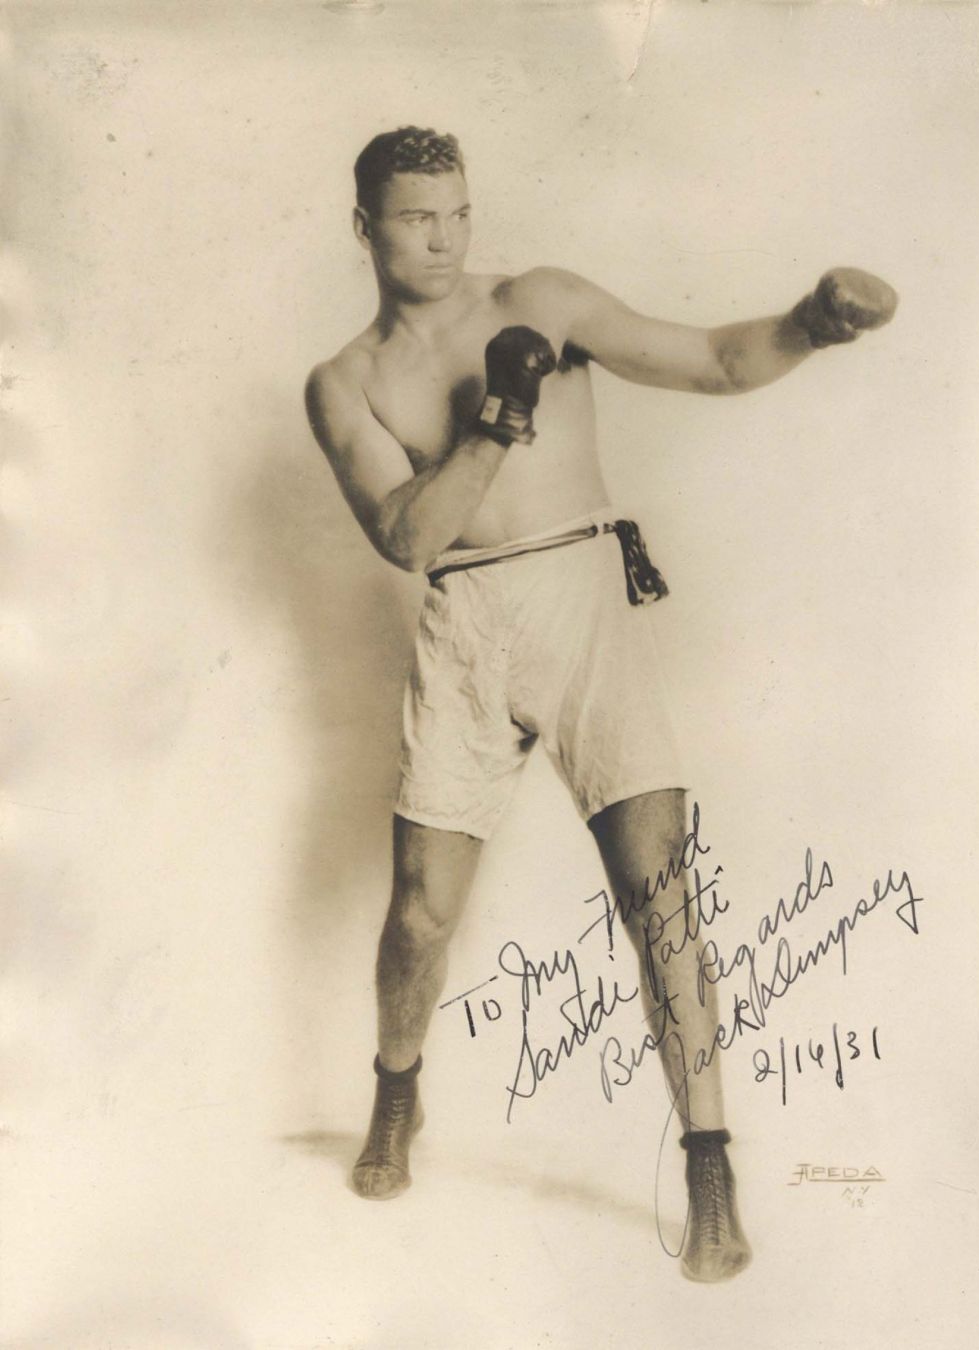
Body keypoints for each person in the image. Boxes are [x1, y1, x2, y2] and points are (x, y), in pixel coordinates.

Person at [304, 126, 897, 1282]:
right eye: (419, 215)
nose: (446, 234)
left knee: (658, 888)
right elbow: (410, 539)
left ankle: (710, 1161)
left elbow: (718, 360)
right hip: (467, 623)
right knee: (421, 914)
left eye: (459, 210)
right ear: (365, 225)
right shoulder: (344, 383)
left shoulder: (545, 297)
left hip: (583, 597)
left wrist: (811, 325)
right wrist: (498, 418)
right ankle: (396, 1090)